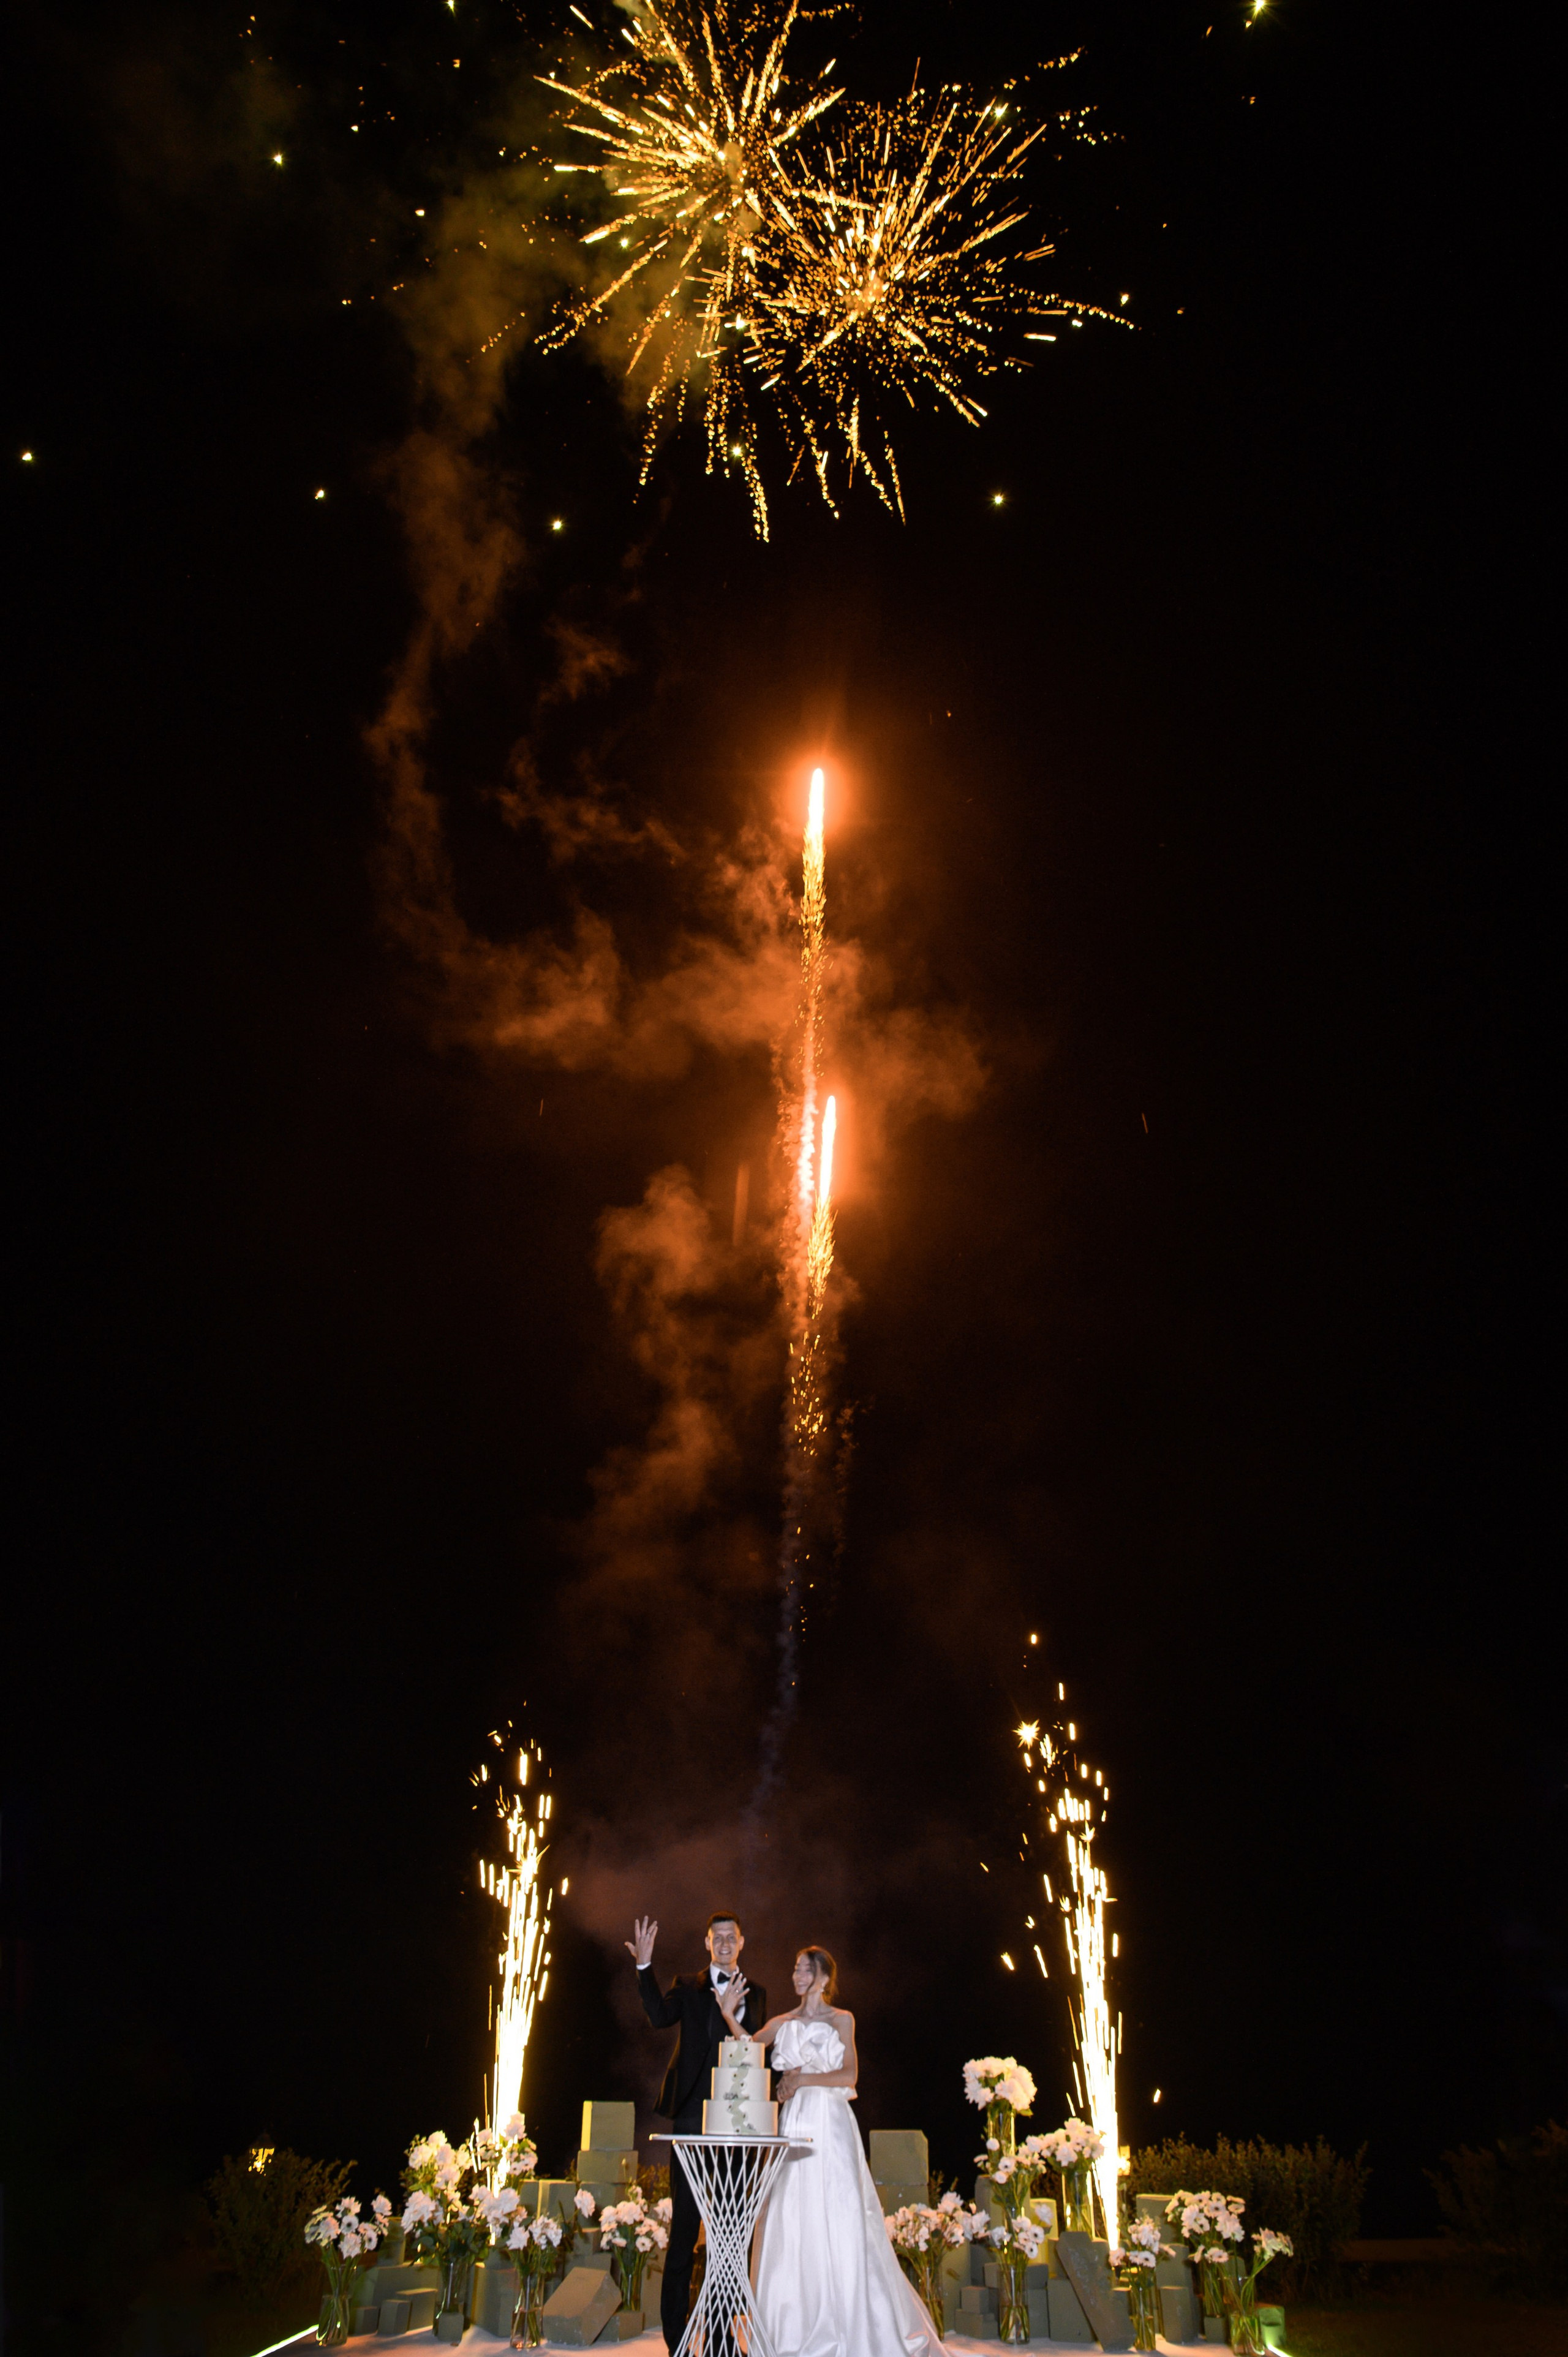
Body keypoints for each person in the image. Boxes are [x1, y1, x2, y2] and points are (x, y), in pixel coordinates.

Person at [717, 1945, 943, 2356]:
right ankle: (794, 2327)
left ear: (824, 1978)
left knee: (839, 2212)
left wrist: (802, 2081)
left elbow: (850, 2073)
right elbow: (748, 2050)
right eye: (795, 1968)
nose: (798, 1975)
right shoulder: (783, 2021)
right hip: (796, 2121)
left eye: (806, 1969)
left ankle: (852, 2322)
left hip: (832, 2122)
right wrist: (729, 2014)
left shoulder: (843, 2019)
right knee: (794, 2212)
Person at [630, 1909, 767, 2353]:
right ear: (707, 1943)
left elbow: (756, 2045)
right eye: (717, 1937)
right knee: (685, 2234)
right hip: (691, 2120)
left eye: (732, 1936)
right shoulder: (687, 1985)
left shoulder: (758, 1992)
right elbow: (657, 2017)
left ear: (742, 1943)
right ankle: (677, 2341)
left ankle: (723, 2339)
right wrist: (645, 1967)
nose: (725, 1942)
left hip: (737, 2125)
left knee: (729, 2238)